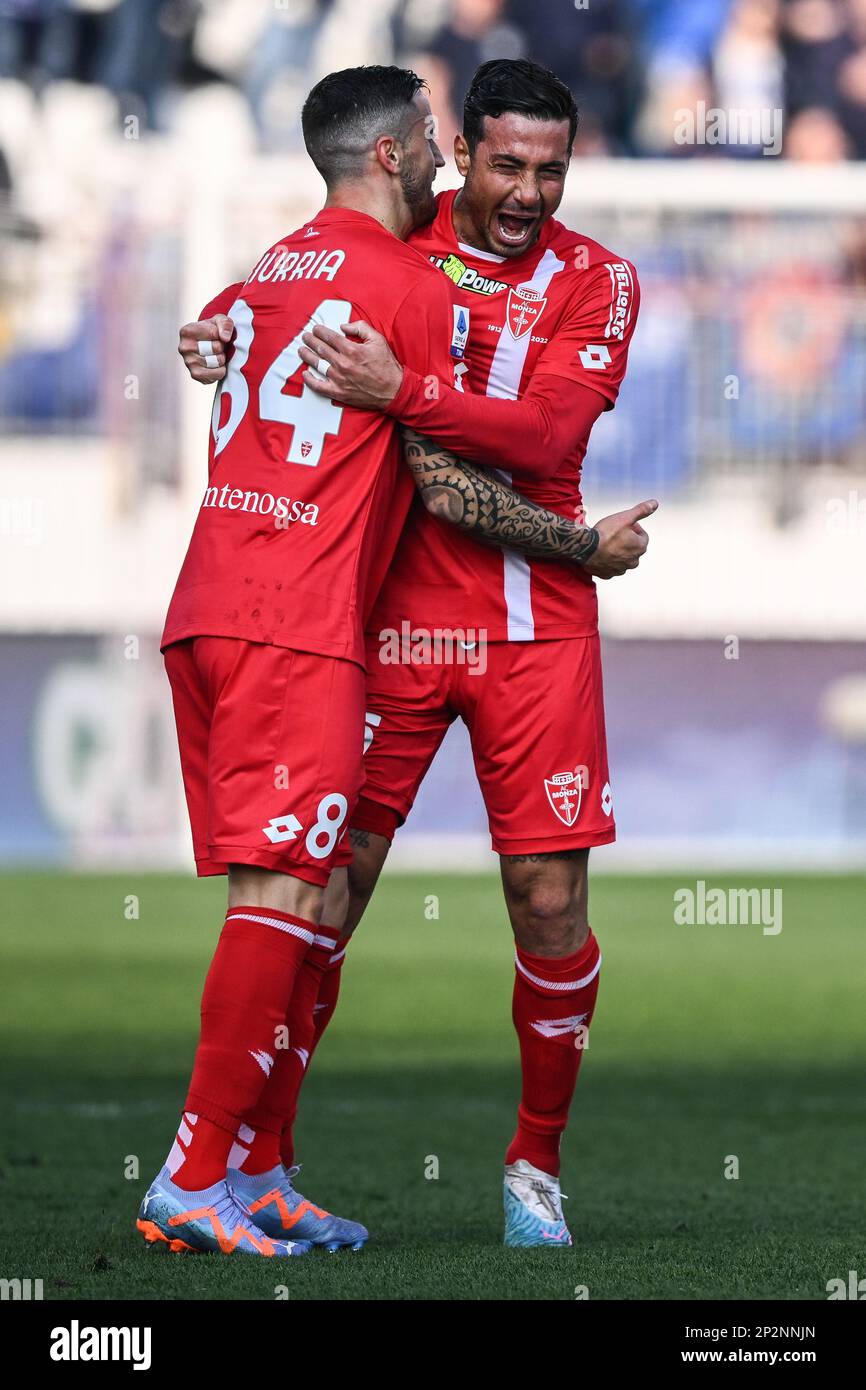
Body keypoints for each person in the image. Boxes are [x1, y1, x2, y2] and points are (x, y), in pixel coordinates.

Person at [153, 61, 642, 1259]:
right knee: (321, 896)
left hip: (535, 628)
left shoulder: (600, 281)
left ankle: (535, 1162)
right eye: (503, 164)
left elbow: (547, 436)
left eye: (551, 170)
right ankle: (257, 1162)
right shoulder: (404, 251)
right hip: (386, 623)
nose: (526, 191)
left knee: (546, 902)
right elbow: (282, 287)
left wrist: (399, 387)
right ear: (454, 155)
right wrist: (214, 323)